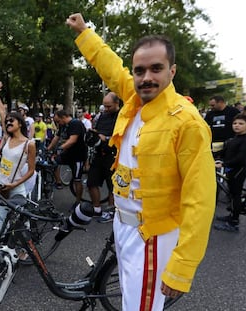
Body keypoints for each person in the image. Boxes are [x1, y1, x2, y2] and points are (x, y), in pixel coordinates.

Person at [66, 13, 215, 310]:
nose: (146, 77)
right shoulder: (134, 100)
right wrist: (84, 32)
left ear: (172, 71)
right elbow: (110, 68)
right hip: (124, 227)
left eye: (156, 68)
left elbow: (200, 200)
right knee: (131, 302)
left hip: (153, 237)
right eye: (140, 70)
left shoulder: (187, 123)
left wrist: (181, 267)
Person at [0, 82, 36, 229]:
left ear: (20, 123)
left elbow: (31, 171)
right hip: (1, 185)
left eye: (12, 120)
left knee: (21, 225)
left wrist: (14, 185)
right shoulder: (8, 137)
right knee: (2, 224)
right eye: (7, 121)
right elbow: (2, 112)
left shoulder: (29, 144)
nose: (8, 122)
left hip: (16, 188)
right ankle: (4, 251)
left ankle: (25, 252)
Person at [214, 113, 246, 232]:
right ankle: (231, 215)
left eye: (241, 124)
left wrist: (224, 164)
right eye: (235, 123)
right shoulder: (234, 138)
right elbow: (224, 151)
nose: (237, 126)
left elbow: (240, 158)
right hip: (231, 170)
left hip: (238, 171)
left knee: (235, 196)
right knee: (231, 194)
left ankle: (234, 223)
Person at [86, 92, 120, 223]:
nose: (106, 109)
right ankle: (97, 209)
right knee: (91, 182)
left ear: (117, 104)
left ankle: (111, 210)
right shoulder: (101, 116)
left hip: (113, 156)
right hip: (98, 154)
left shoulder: (122, 116)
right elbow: (97, 131)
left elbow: (124, 137)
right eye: (104, 106)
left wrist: (106, 138)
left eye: (109, 106)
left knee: (112, 186)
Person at [47, 110, 87, 208]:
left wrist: (60, 148)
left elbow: (72, 140)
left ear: (64, 117)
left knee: (77, 179)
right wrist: (48, 149)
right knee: (52, 162)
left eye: (58, 121)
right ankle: (58, 182)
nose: (58, 123)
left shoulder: (75, 124)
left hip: (78, 155)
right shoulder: (62, 125)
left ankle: (78, 202)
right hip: (67, 154)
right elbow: (57, 137)